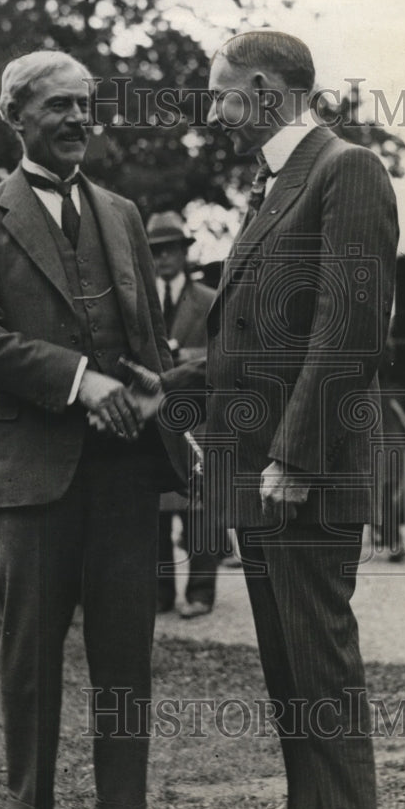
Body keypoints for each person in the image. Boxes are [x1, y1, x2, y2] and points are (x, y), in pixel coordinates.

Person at [139, 30, 398, 809]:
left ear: (260, 87)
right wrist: (162, 380)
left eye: (219, 94)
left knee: (321, 665)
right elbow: (252, 339)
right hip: (257, 473)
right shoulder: (277, 181)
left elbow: (345, 328)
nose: (213, 110)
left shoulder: (344, 169)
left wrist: (290, 456)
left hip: (303, 474)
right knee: (290, 670)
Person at [0, 50, 184, 809]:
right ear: (17, 116)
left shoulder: (121, 212)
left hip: (123, 470)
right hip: (30, 471)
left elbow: (147, 337)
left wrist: (154, 390)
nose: (80, 119)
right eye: (59, 106)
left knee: (125, 654)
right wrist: (80, 382)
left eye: (86, 105)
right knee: (30, 657)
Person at [147, 211, 218, 618]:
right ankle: (159, 593)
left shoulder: (208, 300)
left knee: (201, 508)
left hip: (198, 416)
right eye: (156, 251)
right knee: (156, 508)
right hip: (156, 417)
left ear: (184, 253)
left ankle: (201, 591)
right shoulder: (140, 299)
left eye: (171, 249)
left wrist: (185, 359)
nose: (164, 259)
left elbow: (223, 356)